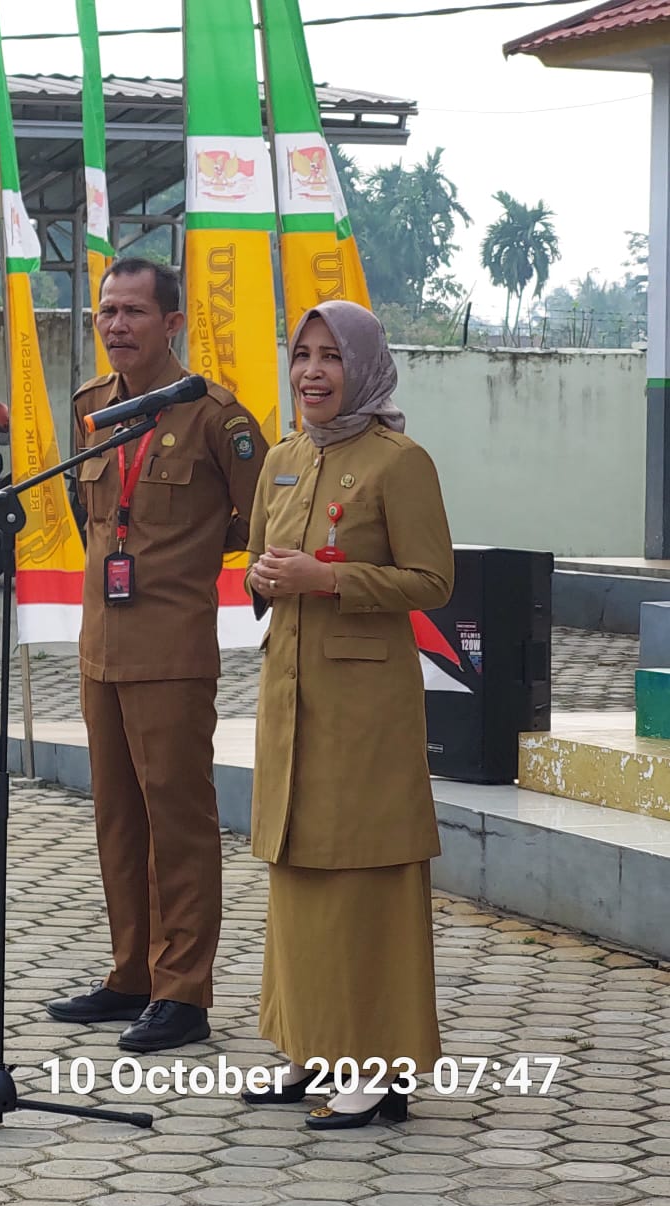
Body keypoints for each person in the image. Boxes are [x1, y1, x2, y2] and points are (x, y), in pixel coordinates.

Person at [45, 256, 267, 1053]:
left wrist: (189, 553)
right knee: (116, 818)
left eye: (134, 312)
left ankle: (184, 993)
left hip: (172, 646)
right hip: (101, 643)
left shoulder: (216, 417)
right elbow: (90, 514)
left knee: (179, 819)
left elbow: (259, 517)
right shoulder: (93, 409)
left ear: (172, 324)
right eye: (106, 312)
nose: (116, 326)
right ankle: (130, 972)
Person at [243, 299, 453, 1128]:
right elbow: (263, 559)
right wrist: (265, 580)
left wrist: (328, 581)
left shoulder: (401, 463)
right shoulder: (285, 457)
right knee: (297, 870)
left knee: (363, 877)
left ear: (363, 366)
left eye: (331, 356)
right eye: (302, 356)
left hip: (365, 709)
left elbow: (433, 583)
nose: (313, 373)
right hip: (290, 698)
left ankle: (377, 1066)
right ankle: (309, 1048)